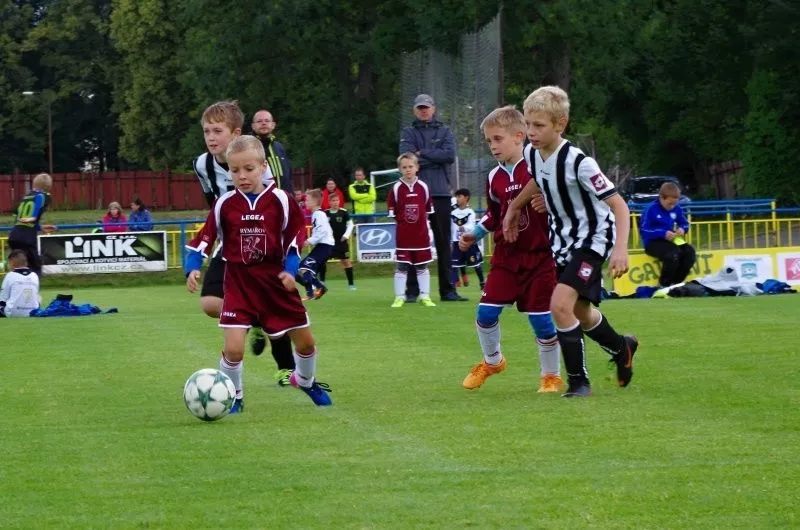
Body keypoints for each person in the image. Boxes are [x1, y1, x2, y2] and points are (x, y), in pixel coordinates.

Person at [503, 86, 638, 397]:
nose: (531, 132)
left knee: (559, 305)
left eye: (539, 125)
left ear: (560, 124)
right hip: (562, 242)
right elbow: (538, 180)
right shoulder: (532, 154)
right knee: (580, 312)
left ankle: (579, 383)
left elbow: (619, 205)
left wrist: (620, 250)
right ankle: (623, 348)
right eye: (528, 124)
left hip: (592, 240)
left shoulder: (580, 163)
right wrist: (515, 206)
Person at [185, 135, 331, 409]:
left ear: (264, 167)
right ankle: (234, 397)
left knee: (306, 345)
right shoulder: (224, 204)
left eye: (249, 169)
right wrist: (192, 267)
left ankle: (305, 381)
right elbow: (204, 238)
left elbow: (294, 242)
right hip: (239, 285)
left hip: (276, 286)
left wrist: (290, 271)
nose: (241, 175)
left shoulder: (282, 200)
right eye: (234, 170)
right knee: (233, 350)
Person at [458, 107, 563, 393]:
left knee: (541, 321)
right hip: (506, 257)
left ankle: (550, 376)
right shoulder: (494, 177)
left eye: (497, 139)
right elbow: (494, 215)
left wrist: (549, 205)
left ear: (519, 136)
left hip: (541, 257)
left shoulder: (540, 165)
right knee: (485, 313)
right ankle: (493, 361)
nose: (492, 146)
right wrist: (475, 233)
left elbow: (564, 201)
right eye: (488, 141)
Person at [191, 100, 295, 385]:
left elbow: (277, 204)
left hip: (263, 247)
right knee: (210, 303)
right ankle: (255, 319)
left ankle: (286, 368)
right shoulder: (202, 165)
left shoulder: (257, 164)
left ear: (236, 134)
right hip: (229, 247)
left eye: (217, 131)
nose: (211, 137)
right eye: (206, 131)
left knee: (272, 306)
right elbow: (214, 203)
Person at [399, 94, 466, 302]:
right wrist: (433, 156)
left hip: (440, 192)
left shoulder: (445, 130)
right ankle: (412, 291)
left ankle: (448, 291)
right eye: (420, 108)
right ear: (414, 110)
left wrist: (422, 154)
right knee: (413, 243)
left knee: (444, 242)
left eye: (426, 107)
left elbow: (449, 155)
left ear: (433, 109)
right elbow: (407, 158)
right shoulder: (408, 132)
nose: (423, 111)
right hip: (415, 194)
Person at [387, 153, 436, 308]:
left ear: (417, 167)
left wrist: (421, 228)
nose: (408, 169)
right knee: (402, 267)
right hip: (403, 237)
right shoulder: (396, 188)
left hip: (421, 236)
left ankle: (425, 296)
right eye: (404, 167)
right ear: (400, 169)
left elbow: (427, 211)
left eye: (410, 166)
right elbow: (393, 214)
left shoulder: (423, 187)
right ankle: (399, 297)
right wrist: (404, 227)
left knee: (422, 267)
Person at [640, 182, 696, 287]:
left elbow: (684, 223)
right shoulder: (650, 209)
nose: (672, 206)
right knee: (673, 254)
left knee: (690, 252)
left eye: (674, 204)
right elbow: (644, 230)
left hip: (672, 239)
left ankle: (676, 284)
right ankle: (664, 284)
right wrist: (662, 233)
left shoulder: (677, 208)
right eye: (669, 204)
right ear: (661, 197)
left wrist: (682, 229)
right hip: (653, 242)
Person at [8, 173, 55, 277]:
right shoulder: (44, 196)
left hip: (14, 236)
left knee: (18, 269)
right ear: (48, 186)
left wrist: (40, 227)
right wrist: (33, 217)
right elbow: (36, 209)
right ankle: (31, 288)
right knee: (35, 269)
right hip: (27, 238)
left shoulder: (26, 197)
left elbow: (21, 219)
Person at [297, 189, 334, 301]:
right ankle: (312, 292)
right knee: (303, 267)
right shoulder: (317, 214)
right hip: (324, 246)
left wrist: (309, 241)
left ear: (315, 202)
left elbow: (321, 231)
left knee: (304, 268)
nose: (305, 202)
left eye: (307, 200)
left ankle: (319, 288)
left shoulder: (318, 214)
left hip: (324, 246)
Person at [450, 188, 485, 291]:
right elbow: (451, 228)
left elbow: (472, 226)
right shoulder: (453, 212)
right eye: (456, 196)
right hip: (457, 243)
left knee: (475, 265)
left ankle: (482, 282)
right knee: (454, 265)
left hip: (468, 243)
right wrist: (451, 240)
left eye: (459, 196)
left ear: (466, 198)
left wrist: (464, 228)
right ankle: (453, 288)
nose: (457, 199)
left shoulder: (470, 212)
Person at [250, 109, 294, 193]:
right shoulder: (249, 147)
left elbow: (289, 176)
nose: (263, 123)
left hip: (285, 197)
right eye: (259, 121)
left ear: (273, 125)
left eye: (267, 121)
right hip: (262, 198)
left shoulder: (279, 147)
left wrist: (291, 196)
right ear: (253, 126)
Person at [320, 192, 356, 290]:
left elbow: (350, 225)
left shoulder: (344, 212)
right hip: (328, 242)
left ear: (339, 201)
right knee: (322, 260)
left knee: (346, 261)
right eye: (333, 200)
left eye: (337, 200)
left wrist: (346, 235)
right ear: (329, 202)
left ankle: (351, 284)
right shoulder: (325, 213)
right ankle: (321, 282)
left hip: (341, 241)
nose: (335, 202)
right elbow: (321, 226)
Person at [0, 250, 40, 318]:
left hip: (12, 313)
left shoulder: (10, 275)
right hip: (33, 312)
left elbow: (2, 300)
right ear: (26, 262)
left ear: (12, 261)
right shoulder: (35, 275)